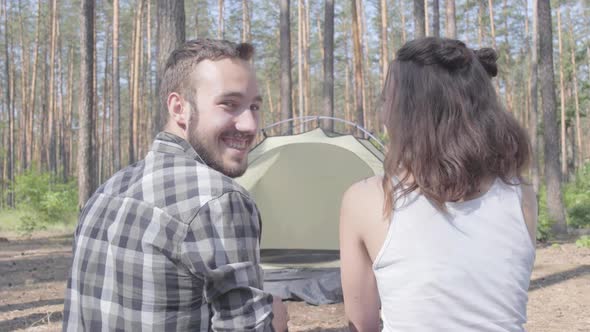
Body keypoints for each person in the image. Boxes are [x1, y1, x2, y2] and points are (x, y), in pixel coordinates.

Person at [63, 39, 288, 331]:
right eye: (229, 104)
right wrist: (276, 321)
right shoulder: (220, 200)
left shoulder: (106, 192)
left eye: (254, 106)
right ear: (179, 107)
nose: (249, 125)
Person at [339, 37, 537, 332]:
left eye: (385, 100)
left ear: (406, 113)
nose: (382, 113)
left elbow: (362, 325)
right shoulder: (522, 196)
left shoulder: (365, 200)